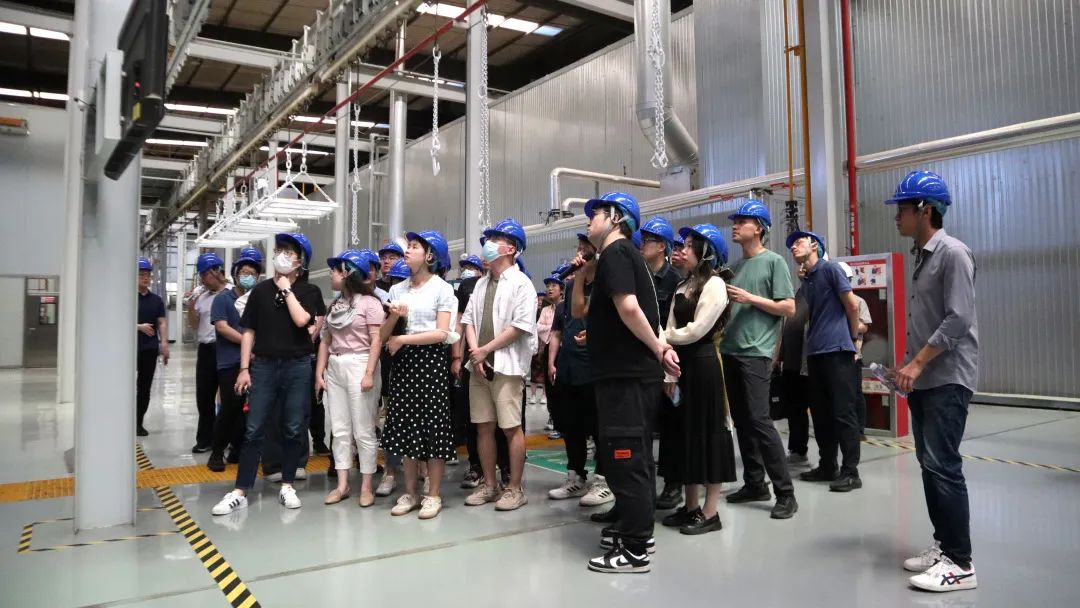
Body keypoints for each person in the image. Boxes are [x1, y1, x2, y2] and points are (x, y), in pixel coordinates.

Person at [573, 192, 680, 574]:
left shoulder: (616, 253)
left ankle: (634, 549)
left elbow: (630, 308)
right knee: (634, 457)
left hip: (626, 377)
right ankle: (638, 531)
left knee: (625, 458)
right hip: (626, 374)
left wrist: (657, 348)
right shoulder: (623, 256)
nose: (589, 220)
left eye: (596, 213)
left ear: (615, 218)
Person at [885, 170, 979, 592]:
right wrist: (905, 367)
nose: (897, 216)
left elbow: (958, 319)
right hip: (924, 378)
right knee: (930, 465)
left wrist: (918, 364)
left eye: (902, 209)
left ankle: (961, 563)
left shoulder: (953, 253)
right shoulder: (922, 256)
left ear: (925, 210)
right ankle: (944, 546)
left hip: (947, 378)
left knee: (944, 465)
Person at [211, 233, 323, 515]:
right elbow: (249, 332)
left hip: (297, 365)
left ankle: (288, 485)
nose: (281, 255)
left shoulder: (309, 292)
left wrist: (286, 290)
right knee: (254, 428)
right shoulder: (260, 292)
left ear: (300, 261)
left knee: (293, 427)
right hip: (263, 366)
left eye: (289, 251)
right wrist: (244, 368)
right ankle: (240, 490)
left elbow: (302, 321)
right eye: (279, 249)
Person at [721, 200, 798, 520]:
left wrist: (749, 298)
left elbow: (789, 308)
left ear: (760, 228)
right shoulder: (735, 267)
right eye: (735, 221)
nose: (735, 226)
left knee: (759, 420)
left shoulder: (774, 262)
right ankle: (754, 483)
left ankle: (786, 493)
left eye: (742, 221)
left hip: (756, 352)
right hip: (730, 350)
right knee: (742, 420)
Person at [658, 223, 737, 535]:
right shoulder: (683, 285)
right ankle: (690, 507)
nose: (684, 249)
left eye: (691, 245)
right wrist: (668, 372)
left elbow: (696, 330)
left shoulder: (715, 285)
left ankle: (710, 512)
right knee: (684, 435)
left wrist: (663, 338)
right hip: (680, 365)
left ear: (706, 252)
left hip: (704, 365)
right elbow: (670, 325)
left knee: (707, 433)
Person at [380, 230, 458, 520]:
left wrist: (403, 339)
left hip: (430, 362)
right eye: (408, 246)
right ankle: (410, 492)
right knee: (406, 429)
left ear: (429, 255)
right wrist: (394, 316)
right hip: (403, 365)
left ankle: (433, 494)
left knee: (433, 429)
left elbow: (441, 333)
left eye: (414, 246)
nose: (408, 251)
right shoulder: (397, 291)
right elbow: (382, 335)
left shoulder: (442, 289)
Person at [462, 218, 537, 512]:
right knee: (483, 427)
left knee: (510, 428)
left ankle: (515, 489)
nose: (489, 244)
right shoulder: (481, 283)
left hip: (506, 367)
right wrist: (475, 353)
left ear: (511, 248)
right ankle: (490, 485)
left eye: (495, 239)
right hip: (479, 366)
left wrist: (485, 351)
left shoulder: (522, 284)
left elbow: (519, 326)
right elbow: (469, 319)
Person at [787, 231, 864, 492]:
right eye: (792, 245)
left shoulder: (831, 269)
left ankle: (851, 472)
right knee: (820, 414)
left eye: (799, 242)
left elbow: (852, 306)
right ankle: (827, 465)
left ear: (815, 246)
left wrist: (852, 339)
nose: (793, 247)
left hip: (837, 351)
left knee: (843, 412)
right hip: (816, 353)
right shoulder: (807, 281)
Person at [547, 236, 614, 508]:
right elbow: (560, 329)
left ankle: (604, 480)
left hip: (595, 368)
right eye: (579, 249)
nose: (580, 254)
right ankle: (575, 476)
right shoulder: (571, 286)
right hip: (569, 367)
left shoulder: (606, 285)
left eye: (586, 250)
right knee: (571, 425)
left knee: (599, 427)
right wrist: (553, 362)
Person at [316, 249, 386, 507]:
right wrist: (319, 372)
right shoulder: (335, 305)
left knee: (363, 429)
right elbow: (326, 340)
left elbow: (376, 340)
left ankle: (366, 486)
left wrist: (369, 373)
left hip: (360, 363)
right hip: (335, 366)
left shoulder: (370, 303)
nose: (331, 274)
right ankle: (343, 484)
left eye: (335, 270)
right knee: (340, 428)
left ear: (348, 273)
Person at [639, 215, 685, 511]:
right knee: (643, 425)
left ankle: (673, 484)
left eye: (649, 241)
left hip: (668, 363)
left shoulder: (675, 280)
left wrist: (671, 375)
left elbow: (676, 326)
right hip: (643, 361)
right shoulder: (640, 277)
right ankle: (642, 486)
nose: (643, 245)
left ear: (662, 247)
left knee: (672, 427)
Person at [207, 247, 263, 472]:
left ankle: (237, 451)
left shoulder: (257, 300)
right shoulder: (223, 299)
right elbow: (222, 327)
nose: (249, 276)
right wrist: (248, 343)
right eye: (245, 272)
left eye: (253, 273)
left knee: (246, 411)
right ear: (236, 274)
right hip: (230, 363)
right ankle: (216, 452)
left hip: (255, 363)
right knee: (229, 408)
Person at [188, 252, 229, 454]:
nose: (203, 279)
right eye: (201, 275)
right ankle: (205, 439)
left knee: (229, 397)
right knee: (204, 396)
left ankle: (228, 438)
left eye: (205, 274)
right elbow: (194, 325)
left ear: (216, 272)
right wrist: (191, 307)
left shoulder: (231, 293)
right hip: (206, 350)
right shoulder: (201, 298)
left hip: (226, 347)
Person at [778, 268, 812, 467]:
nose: (800, 268)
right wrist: (778, 356)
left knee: (806, 408)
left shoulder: (818, 290)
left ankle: (826, 461)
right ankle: (797, 450)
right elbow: (785, 327)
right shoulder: (799, 292)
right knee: (793, 409)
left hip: (806, 364)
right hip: (791, 363)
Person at [837, 261, 872, 435]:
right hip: (834, 355)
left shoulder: (858, 301)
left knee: (855, 392)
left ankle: (859, 430)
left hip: (853, 355)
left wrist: (845, 326)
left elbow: (864, 326)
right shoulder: (831, 301)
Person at [136, 257, 169, 436]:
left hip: (149, 349)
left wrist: (164, 343)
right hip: (129, 350)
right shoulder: (127, 298)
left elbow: (161, 322)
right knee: (125, 386)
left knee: (144, 388)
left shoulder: (156, 300)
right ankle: (123, 420)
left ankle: (138, 423)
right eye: (141, 274)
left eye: (147, 275)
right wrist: (138, 327)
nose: (145, 278)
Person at [539, 273, 564, 439]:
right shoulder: (545, 310)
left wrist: (551, 328)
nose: (549, 289)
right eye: (548, 286)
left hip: (564, 351)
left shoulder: (566, 307)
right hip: (549, 349)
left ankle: (564, 424)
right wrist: (553, 329)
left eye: (553, 286)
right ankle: (555, 421)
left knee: (562, 389)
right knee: (550, 387)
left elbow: (562, 330)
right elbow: (538, 328)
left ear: (562, 289)